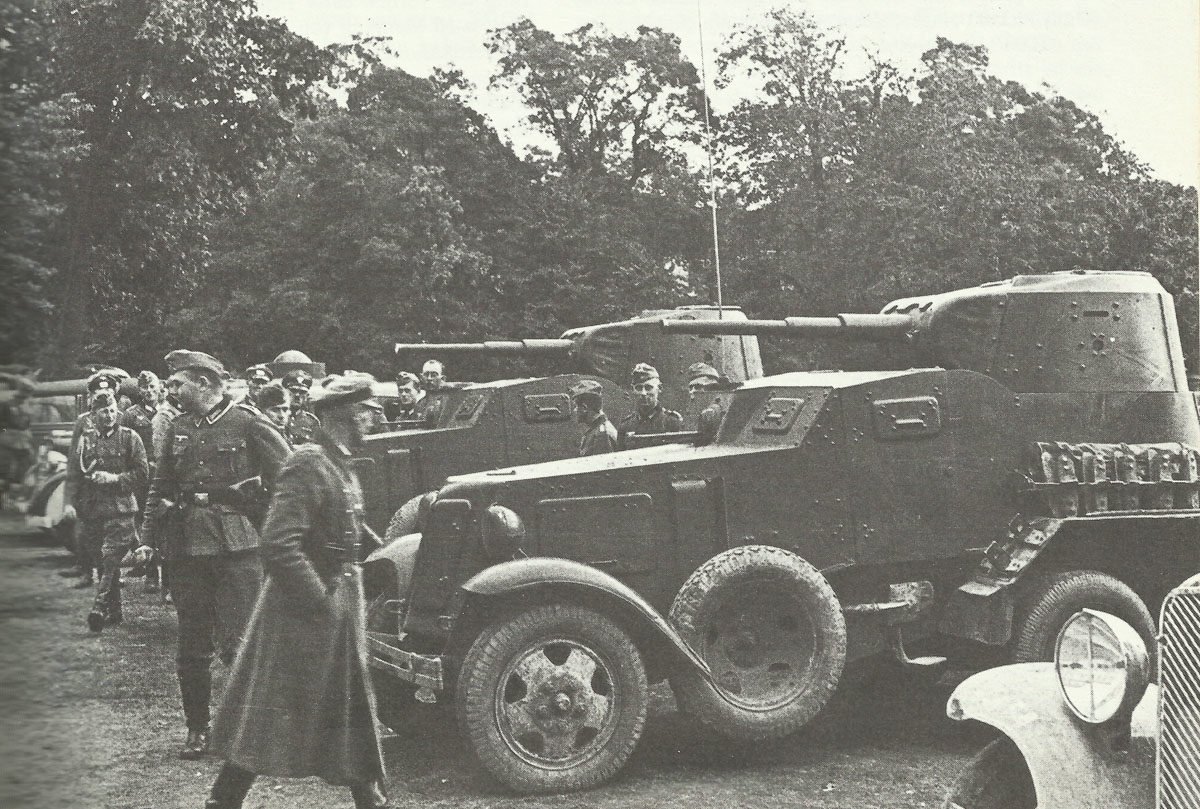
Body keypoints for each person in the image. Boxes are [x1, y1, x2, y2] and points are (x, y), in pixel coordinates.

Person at [206, 372, 387, 809]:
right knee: (269, 712)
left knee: (348, 710)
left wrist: (381, 553)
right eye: (367, 411)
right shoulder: (308, 461)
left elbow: (346, 522)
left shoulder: (337, 462)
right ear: (345, 413)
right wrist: (319, 600)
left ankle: (371, 798)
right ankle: (223, 801)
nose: (374, 419)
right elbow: (278, 543)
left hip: (338, 603)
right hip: (304, 613)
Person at [136, 350, 290, 760]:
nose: (172, 392)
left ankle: (253, 729)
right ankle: (197, 730)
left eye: (178, 384)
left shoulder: (250, 423)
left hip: (238, 548)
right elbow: (160, 485)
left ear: (203, 383)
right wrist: (148, 538)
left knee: (241, 644)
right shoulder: (178, 427)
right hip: (186, 547)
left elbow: (290, 480)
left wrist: (279, 534)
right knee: (191, 646)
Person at [63, 389, 148, 632]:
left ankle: (98, 607)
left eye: (112, 411)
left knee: (110, 557)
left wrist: (114, 478)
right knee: (101, 561)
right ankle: (115, 611)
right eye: (104, 412)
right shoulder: (85, 441)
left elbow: (142, 474)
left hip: (121, 509)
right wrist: (70, 503)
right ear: (93, 414)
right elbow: (75, 474)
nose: (109, 416)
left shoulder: (130, 438)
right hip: (93, 510)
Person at [61, 370, 127, 587]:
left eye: (108, 391)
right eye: (99, 392)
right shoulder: (83, 421)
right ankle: (87, 572)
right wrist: (68, 500)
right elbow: (74, 463)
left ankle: (113, 577)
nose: (103, 395)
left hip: (114, 487)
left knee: (116, 537)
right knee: (88, 534)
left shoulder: (120, 417)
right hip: (89, 487)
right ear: (91, 396)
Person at [618, 363, 683, 447]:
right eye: (639, 388)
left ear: (659, 388)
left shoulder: (672, 422)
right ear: (633, 390)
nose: (643, 393)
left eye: (648, 388)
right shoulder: (625, 426)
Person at [0, 372, 35, 497]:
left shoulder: (27, 405)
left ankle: (16, 498)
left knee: (23, 470)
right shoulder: (6, 404)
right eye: (23, 393)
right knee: (4, 470)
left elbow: (27, 423)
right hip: (7, 441)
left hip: (23, 441)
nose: (23, 397)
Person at [571, 379, 618, 456]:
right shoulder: (597, 430)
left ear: (584, 408)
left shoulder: (601, 435)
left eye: (576, 406)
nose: (574, 410)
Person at [282, 370, 321, 445]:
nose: (297, 395)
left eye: (302, 392)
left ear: (307, 396)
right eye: (293, 390)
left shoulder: (312, 421)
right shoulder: (277, 416)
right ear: (285, 392)